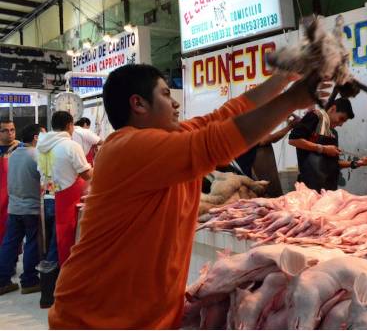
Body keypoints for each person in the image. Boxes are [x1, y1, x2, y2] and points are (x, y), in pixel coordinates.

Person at [48, 64, 323, 329]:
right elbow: (217, 141)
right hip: (94, 317)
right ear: (138, 104)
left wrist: (283, 78)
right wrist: (292, 99)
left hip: (146, 316)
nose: (176, 103)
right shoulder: (125, 146)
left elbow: (229, 113)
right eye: (166, 94)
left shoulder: (172, 136)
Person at [36, 111, 92, 267]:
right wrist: (99, 166)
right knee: (62, 241)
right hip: (65, 200)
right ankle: (60, 279)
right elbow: (86, 174)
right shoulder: (71, 146)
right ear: (69, 125)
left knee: (50, 241)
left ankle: (48, 277)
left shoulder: (41, 146)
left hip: (47, 196)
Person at [289, 98, 367, 191]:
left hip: (329, 188)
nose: (340, 124)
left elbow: (334, 164)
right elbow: (293, 140)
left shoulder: (333, 133)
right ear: (333, 109)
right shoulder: (315, 116)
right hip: (310, 188)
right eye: (341, 118)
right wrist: (323, 149)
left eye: (344, 122)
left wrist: (357, 163)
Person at [0, 124, 44, 296]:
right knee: (32, 243)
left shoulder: (13, 154)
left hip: (14, 208)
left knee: (9, 243)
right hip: (30, 208)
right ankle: (29, 280)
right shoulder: (36, 155)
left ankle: (2, 281)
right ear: (35, 137)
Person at [233, 115, 301, 197]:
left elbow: (271, 139)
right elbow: (268, 139)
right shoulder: (244, 128)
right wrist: (290, 126)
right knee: (265, 198)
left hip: (254, 172)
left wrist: (288, 125)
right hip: (252, 173)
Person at [0, 119, 21, 242]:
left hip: (15, 198)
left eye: (12, 130)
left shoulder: (21, 148)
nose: (10, 133)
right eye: (5, 130)